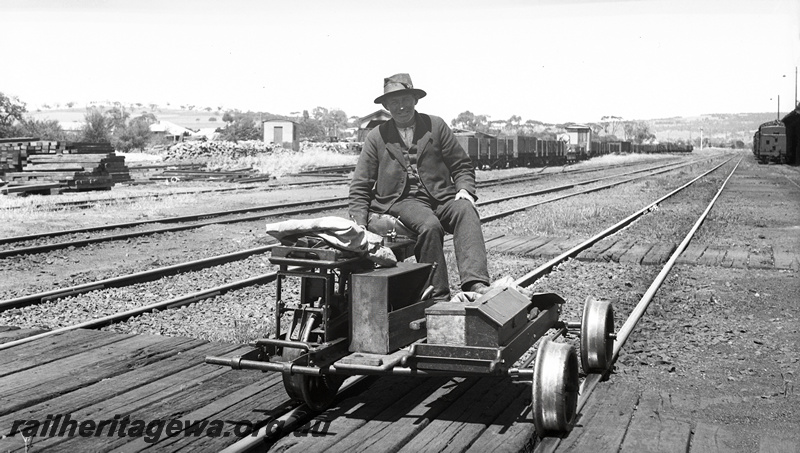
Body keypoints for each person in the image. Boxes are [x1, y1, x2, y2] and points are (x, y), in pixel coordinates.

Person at [349, 73, 490, 301]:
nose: (401, 107)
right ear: (386, 106)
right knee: (429, 225)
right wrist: (359, 223)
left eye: (405, 100)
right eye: (394, 102)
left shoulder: (436, 126)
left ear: (415, 100)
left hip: (442, 197)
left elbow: (461, 164)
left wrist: (464, 189)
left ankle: (475, 283)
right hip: (402, 201)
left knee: (466, 209)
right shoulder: (377, 136)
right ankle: (437, 296)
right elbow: (361, 183)